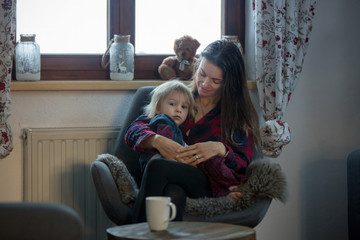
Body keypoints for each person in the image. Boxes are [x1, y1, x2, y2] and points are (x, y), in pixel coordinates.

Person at [125, 39, 261, 222]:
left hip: (205, 183)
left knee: (157, 165)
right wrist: (157, 140)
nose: (204, 84)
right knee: (173, 193)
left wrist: (221, 149)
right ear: (197, 66)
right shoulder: (180, 98)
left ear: (230, 83)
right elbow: (134, 129)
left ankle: (133, 233)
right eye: (202, 74)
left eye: (215, 81)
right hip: (170, 181)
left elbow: (243, 165)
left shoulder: (236, 119)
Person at [137, 79, 196, 172]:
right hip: (157, 166)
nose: (178, 110)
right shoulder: (163, 120)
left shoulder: (178, 128)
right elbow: (171, 143)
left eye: (184, 107)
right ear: (158, 108)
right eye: (172, 104)